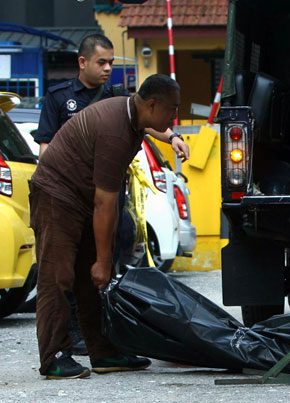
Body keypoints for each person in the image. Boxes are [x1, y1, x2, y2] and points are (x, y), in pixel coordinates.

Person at [34, 34, 188, 356]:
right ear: (152, 105)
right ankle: (54, 357)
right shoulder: (116, 129)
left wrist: (172, 137)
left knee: (90, 278)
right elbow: (105, 204)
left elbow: (154, 129)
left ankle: (102, 352)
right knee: (58, 276)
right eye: (172, 110)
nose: (173, 117)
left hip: (81, 197)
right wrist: (104, 262)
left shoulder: (132, 114)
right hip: (56, 194)